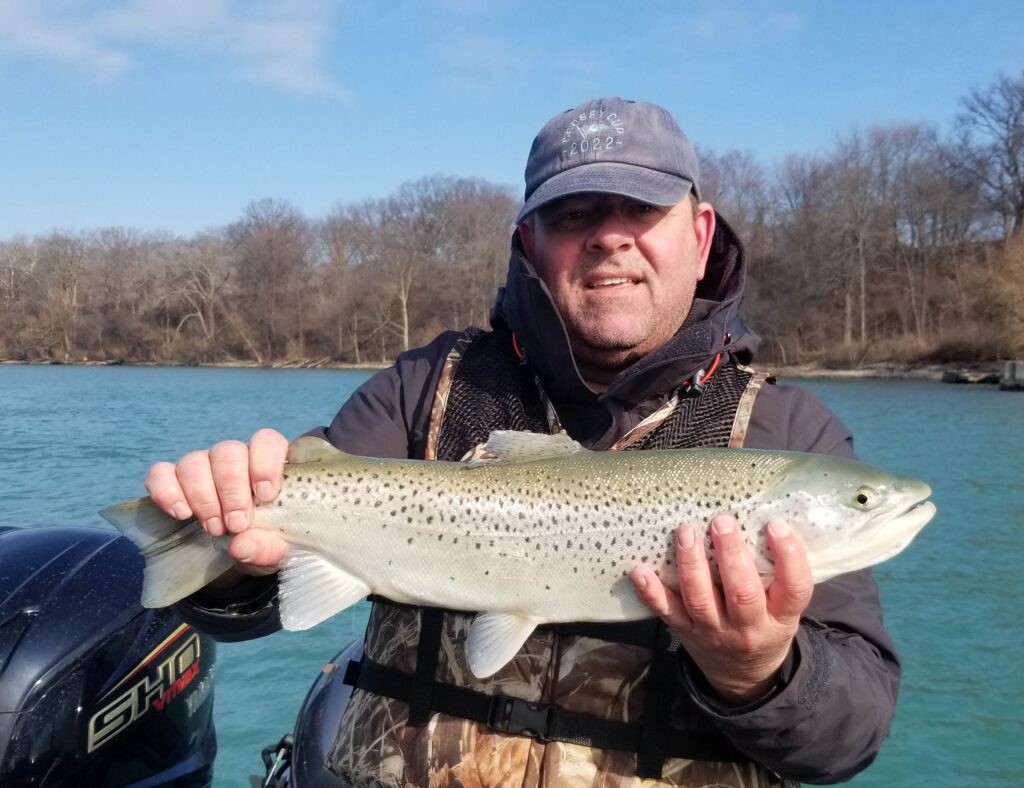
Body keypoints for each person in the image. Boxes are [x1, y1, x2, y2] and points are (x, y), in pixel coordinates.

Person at [146, 98, 900, 787]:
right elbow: (262, 586)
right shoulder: (421, 389)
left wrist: (758, 670)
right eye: (575, 215)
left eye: (642, 209)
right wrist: (222, 560)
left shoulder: (790, 433)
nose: (610, 237)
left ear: (700, 237)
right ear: (530, 244)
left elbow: (848, 738)